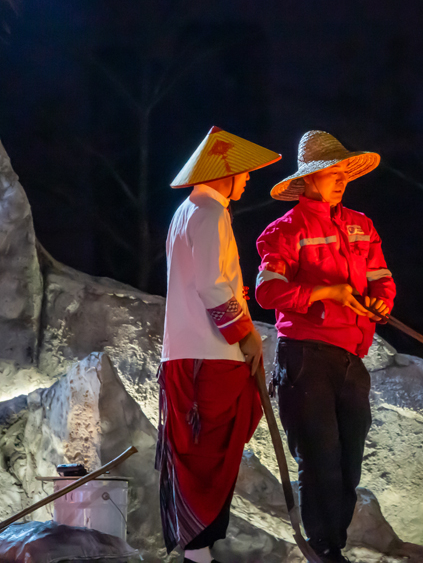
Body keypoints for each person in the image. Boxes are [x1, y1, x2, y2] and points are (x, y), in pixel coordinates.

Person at [255, 130, 396, 563]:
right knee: (319, 458)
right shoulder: (283, 231)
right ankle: (325, 548)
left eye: (342, 172)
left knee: (349, 459)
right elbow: (267, 291)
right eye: (329, 173)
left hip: (352, 357)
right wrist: (322, 293)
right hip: (304, 359)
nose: (339, 180)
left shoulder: (362, 225)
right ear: (308, 180)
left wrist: (380, 302)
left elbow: (381, 279)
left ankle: (333, 543)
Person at [156, 127, 280, 563]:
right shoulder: (209, 212)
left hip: (188, 355)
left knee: (200, 456)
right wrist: (245, 334)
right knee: (209, 457)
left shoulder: (185, 212)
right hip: (208, 358)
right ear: (224, 172)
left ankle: (199, 552)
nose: (247, 180)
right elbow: (213, 285)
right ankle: (199, 553)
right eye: (243, 172)